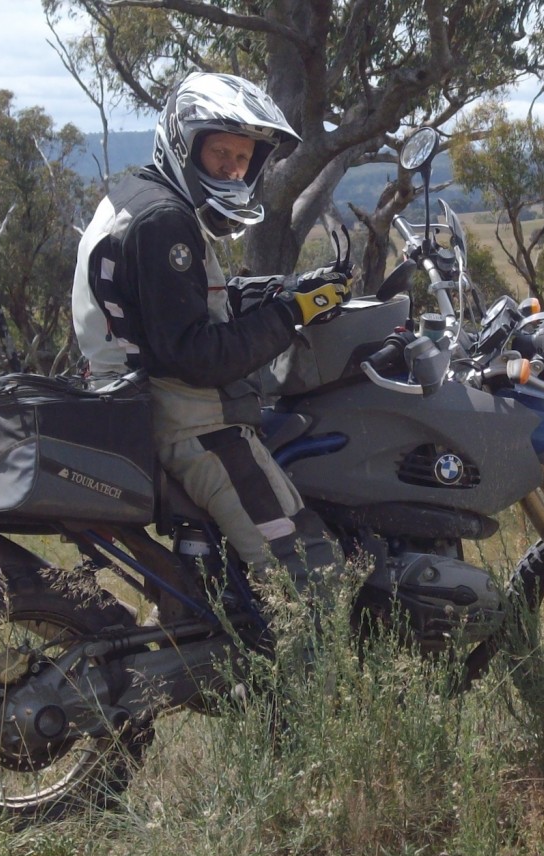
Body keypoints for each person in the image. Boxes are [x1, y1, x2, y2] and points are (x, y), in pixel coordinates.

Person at [71, 71, 347, 614]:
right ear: (183, 143)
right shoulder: (165, 221)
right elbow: (196, 354)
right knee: (310, 579)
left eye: (244, 158)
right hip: (193, 421)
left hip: (141, 401)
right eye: (221, 152)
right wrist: (292, 313)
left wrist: (285, 291)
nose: (233, 168)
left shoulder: (141, 196)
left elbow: (183, 303)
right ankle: (316, 698)